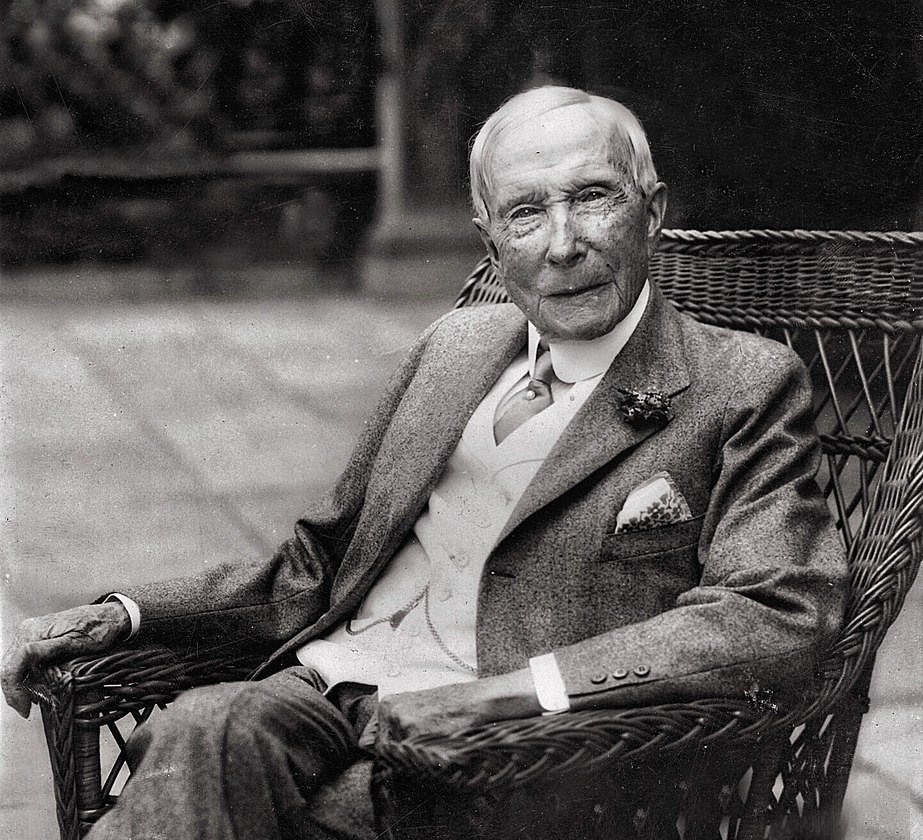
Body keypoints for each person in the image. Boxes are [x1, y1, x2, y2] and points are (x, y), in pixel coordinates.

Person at [2, 86, 848, 840]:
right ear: (489, 239)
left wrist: (513, 695)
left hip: (512, 749)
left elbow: (774, 613)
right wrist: (125, 613)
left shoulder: (742, 383)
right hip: (326, 690)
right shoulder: (453, 346)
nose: (562, 243)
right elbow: (315, 566)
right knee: (200, 732)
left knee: (216, 802)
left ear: (652, 210)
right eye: (524, 213)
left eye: (593, 198)